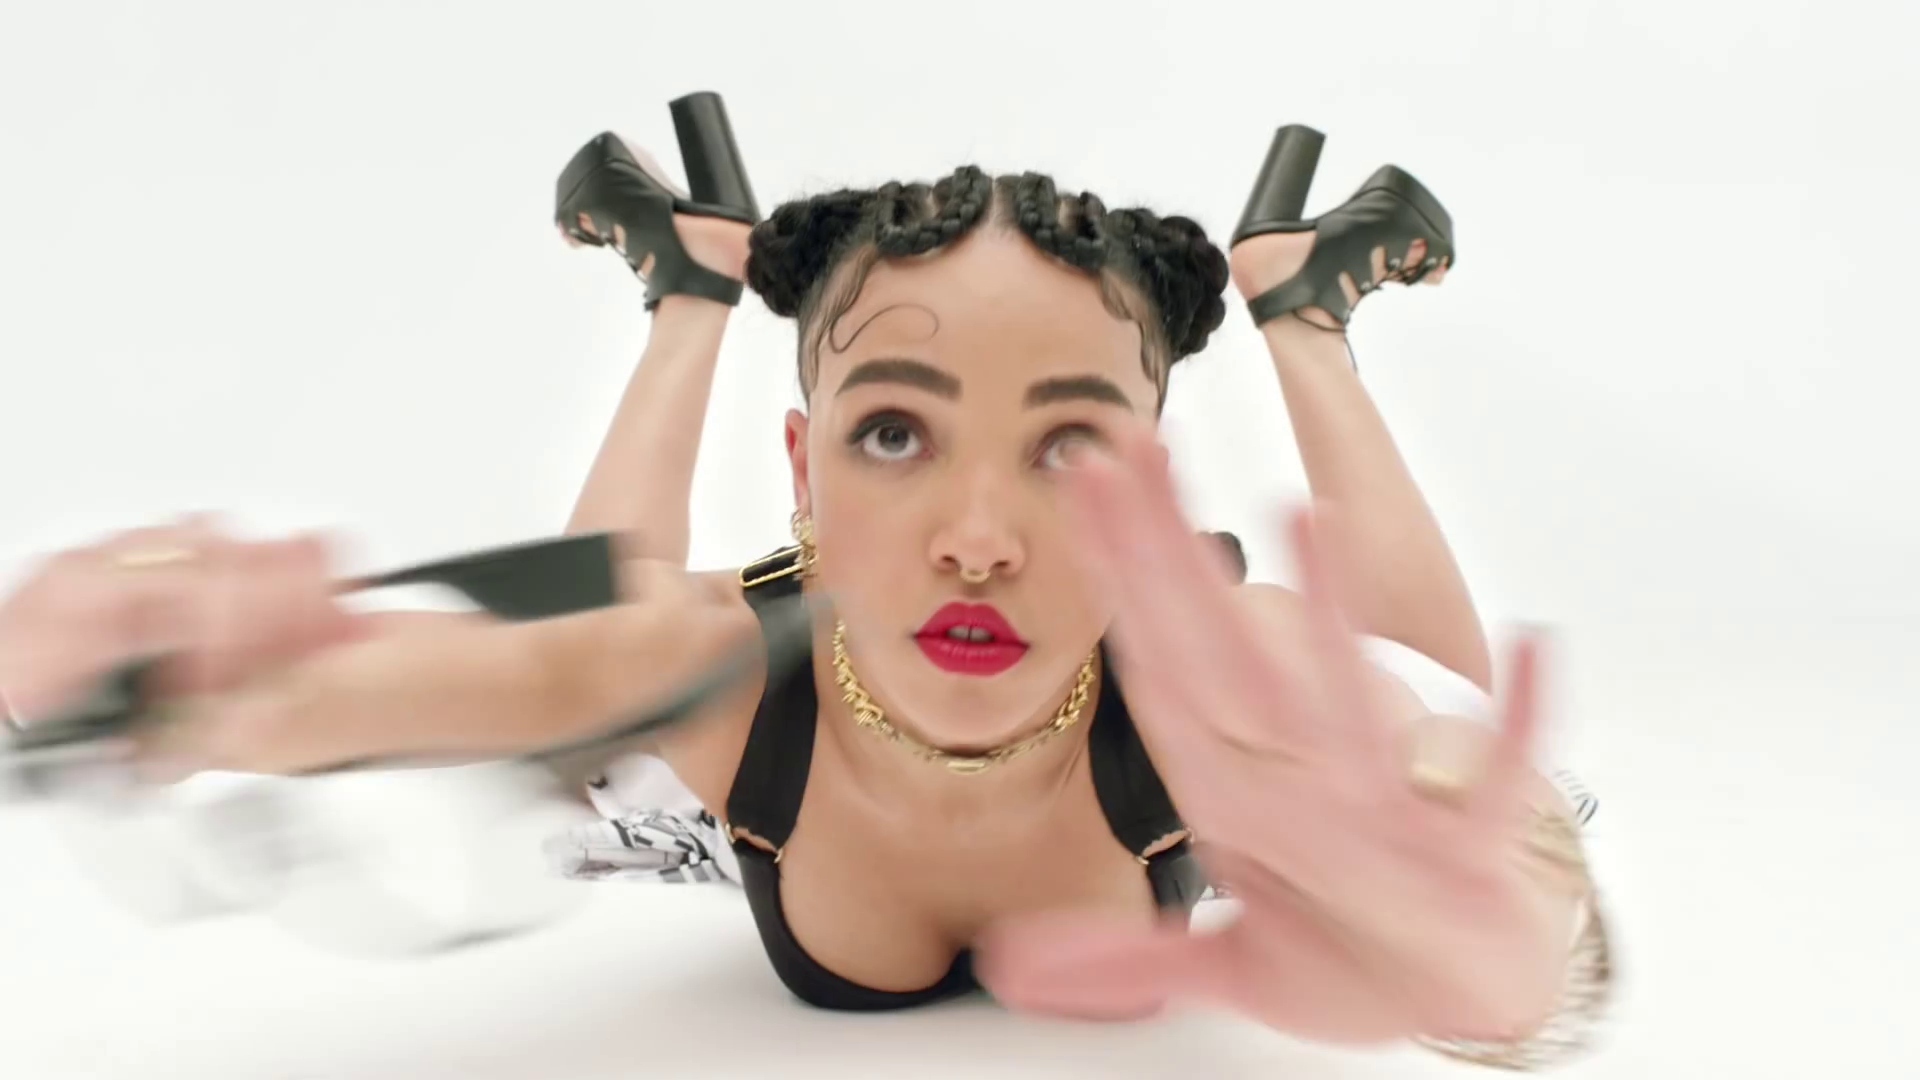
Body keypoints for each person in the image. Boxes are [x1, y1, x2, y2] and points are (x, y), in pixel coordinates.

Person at [0, 122, 1610, 1070]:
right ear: (803, 463)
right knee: (594, 681)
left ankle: (1300, 308)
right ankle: (690, 286)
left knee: (1415, 679)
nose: (978, 538)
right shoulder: (718, 671)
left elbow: (1463, 800)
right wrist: (97, 676)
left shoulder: (1218, 702)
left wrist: (1511, 957)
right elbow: (358, 689)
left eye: (1069, 445)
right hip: (739, 676)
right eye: (894, 431)